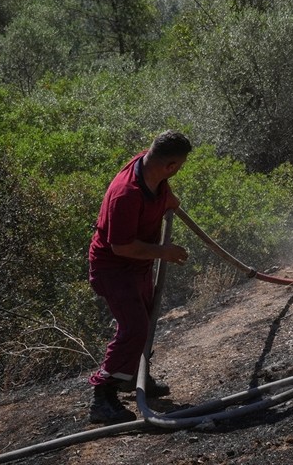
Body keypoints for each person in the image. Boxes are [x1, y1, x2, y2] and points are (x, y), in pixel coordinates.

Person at [86, 130, 192, 424]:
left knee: (145, 319)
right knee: (134, 327)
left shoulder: (149, 167)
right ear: (171, 165)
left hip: (136, 266)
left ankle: (132, 376)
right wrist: (164, 252)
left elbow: (160, 192)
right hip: (114, 269)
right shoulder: (126, 193)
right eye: (178, 167)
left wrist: (167, 199)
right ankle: (102, 398)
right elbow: (121, 247)